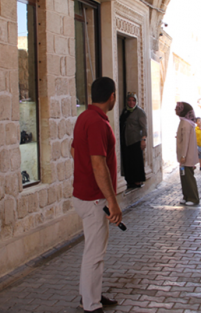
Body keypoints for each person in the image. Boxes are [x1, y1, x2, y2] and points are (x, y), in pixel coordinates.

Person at [71, 77, 121, 313]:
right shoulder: (98, 123)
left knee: (92, 249)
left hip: (85, 195)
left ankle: (90, 294)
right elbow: (99, 164)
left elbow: (73, 149)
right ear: (112, 96)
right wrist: (112, 202)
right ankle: (91, 304)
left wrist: (85, 170)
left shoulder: (84, 118)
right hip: (94, 199)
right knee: (95, 253)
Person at [119, 92, 147, 189]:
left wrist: (143, 139)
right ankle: (129, 180)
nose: (131, 103)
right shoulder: (125, 111)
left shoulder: (139, 112)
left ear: (136, 101)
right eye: (129, 100)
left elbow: (144, 127)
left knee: (136, 161)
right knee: (128, 161)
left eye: (133, 100)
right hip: (125, 141)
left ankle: (137, 181)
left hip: (135, 141)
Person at [176, 103, 201, 206]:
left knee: (188, 177)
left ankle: (193, 197)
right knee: (184, 176)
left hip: (186, 156)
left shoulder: (186, 124)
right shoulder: (184, 122)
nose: (175, 110)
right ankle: (186, 196)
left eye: (178, 109)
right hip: (184, 155)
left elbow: (185, 141)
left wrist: (183, 156)